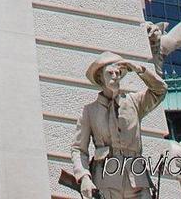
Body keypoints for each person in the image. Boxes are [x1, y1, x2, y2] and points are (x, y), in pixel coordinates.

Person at [70, 54, 167, 197]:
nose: (115, 76)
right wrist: (84, 177)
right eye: (110, 73)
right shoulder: (90, 111)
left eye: (118, 73)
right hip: (105, 180)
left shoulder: (134, 102)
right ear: (100, 77)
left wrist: (140, 70)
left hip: (137, 179)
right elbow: (78, 149)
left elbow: (160, 90)